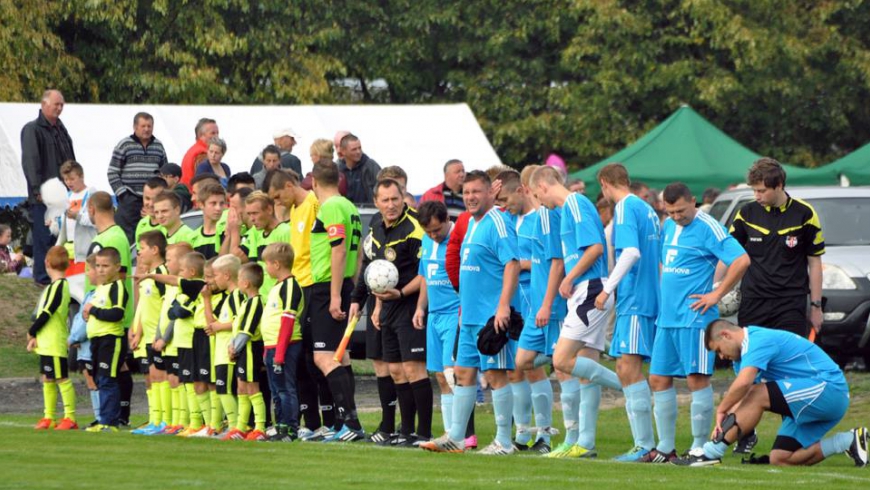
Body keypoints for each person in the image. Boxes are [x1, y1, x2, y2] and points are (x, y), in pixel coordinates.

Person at [643, 183, 749, 463]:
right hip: (668, 318)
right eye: (671, 211)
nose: (677, 216)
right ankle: (665, 448)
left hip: (695, 318)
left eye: (681, 210)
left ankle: (700, 446)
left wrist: (716, 293)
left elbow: (741, 260)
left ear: (693, 202)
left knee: (696, 379)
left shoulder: (708, 226)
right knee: (658, 378)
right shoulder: (667, 225)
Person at [676, 319, 868, 467]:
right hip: (816, 398)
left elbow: (745, 386)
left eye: (718, 350)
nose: (721, 356)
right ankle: (849, 440)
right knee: (781, 458)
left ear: (726, 335)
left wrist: (721, 411)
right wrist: (723, 426)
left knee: (758, 392)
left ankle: (711, 454)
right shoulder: (740, 359)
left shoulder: (757, 340)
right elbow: (744, 399)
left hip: (830, 390)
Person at [421, 170, 520, 455]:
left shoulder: (498, 222)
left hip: (491, 317)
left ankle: (504, 441)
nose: (470, 197)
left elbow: (512, 264)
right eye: (466, 193)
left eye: (477, 191)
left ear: (491, 192)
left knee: (496, 374)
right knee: (463, 374)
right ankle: (456, 437)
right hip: (468, 316)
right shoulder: (472, 224)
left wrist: (503, 306)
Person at [530, 165, 622, 459]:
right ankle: (584, 443)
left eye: (535, 195)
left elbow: (595, 247)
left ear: (543, 186)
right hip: (585, 291)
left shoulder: (575, 203)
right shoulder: (569, 208)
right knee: (584, 373)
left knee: (561, 360)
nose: (538, 202)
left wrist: (570, 278)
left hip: (590, 289)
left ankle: (630, 387)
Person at [351, 179, 432, 446]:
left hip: (409, 304)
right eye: (384, 200)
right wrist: (377, 307)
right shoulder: (375, 226)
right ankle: (404, 431)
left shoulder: (415, 227)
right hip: (388, 307)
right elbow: (375, 270)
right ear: (376, 202)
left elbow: (425, 274)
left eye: (395, 199)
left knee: (413, 369)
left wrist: (401, 294)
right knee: (396, 370)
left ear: (403, 198)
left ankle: (423, 433)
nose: (390, 205)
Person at [594, 163, 661, 462]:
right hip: (641, 297)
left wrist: (608, 288)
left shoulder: (624, 208)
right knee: (624, 367)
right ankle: (644, 444)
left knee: (630, 368)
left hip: (637, 298)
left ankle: (644, 445)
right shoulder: (645, 207)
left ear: (606, 183)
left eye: (602, 189)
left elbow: (632, 252)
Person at [267, 169, 337, 441]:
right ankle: (311, 421)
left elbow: (327, 247)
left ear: (288, 185)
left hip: (313, 287)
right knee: (305, 361)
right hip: (300, 286)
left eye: (277, 196)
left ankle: (332, 421)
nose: (277, 203)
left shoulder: (313, 205)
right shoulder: (296, 211)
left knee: (316, 358)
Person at [730, 158, 824, 338]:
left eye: (762, 191)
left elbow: (815, 262)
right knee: (752, 359)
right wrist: (716, 289)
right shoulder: (746, 213)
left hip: (791, 303)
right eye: (754, 190)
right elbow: (729, 255)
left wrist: (816, 307)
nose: (757, 196)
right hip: (754, 301)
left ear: (779, 185)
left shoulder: (805, 213)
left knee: (788, 361)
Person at [494, 169, 550, 452]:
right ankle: (522, 433)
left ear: (521, 191)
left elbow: (551, 260)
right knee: (514, 369)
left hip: (535, 300)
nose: (503, 205)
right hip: (513, 304)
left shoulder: (540, 219)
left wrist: (520, 264)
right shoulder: (505, 219)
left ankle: (545, 435)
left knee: (533, 369)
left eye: (506, 198)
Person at [308, 161, 365, 442]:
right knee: (341, 356)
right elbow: (359, 249)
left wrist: (334, 295)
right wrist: (351, 287)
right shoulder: (350, 206)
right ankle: (346, 422)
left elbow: (339, 249)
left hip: (327, 287)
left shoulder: (330, 207)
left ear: (315, 181)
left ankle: (350, 423)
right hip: (344, 284)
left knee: (324, 356)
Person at [413, 200, 461, 443]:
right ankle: (448, 433)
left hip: (454, 314)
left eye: (436, 230)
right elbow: (425, 276)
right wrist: (421, 307)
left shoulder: (458, 240)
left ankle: (458, 434)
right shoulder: (426, 241)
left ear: (446, 221)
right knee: (440, 376)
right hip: (434, 315)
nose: (433, 235)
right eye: (428, 232)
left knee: (453, 375)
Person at [21, 89, 75, 285]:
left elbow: (71, 160)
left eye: (61, 104)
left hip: (64, 193)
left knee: (59, 236)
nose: (59, 108)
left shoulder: (61, 129)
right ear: (44, 104)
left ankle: (57, 276)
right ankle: (43, 278)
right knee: (43, 236)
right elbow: (30, 162)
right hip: (44, 195)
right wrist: (37, 190)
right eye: (56, 104)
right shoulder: (32, 129)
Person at [260, 242, 305, 442]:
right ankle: (280, 426)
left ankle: (291, 430)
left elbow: (287, 320)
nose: (266, 268)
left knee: (286, 389)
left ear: (276, 264)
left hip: (286, 347)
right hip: (272, 347)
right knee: (276, 389)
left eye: (267, 264)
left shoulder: (291, 286)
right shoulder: (277, 287)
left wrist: (279, 353)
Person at [27, 245, 74, 430]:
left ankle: (70, 417)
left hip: (54, 340)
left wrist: (32, 330)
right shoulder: (52, 286)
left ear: (47, 262)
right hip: (46, 341)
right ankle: (49, 416)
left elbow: (47, 312)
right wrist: (37, 336)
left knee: (61, 377)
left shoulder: (60, 285)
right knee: (47, 377)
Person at [83, 247, 129, 432]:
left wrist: (93, 311)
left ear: (117, 267)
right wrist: (89, 315)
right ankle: (104, 418)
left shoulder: (117, 287)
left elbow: (117, 313)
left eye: (105, 266)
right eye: (98, 266)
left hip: (110, 339)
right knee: (100, 378)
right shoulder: (101, 288)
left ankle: (110, 422)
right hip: (97, 340)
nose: (101, 270)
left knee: (107, 379)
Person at [129, 230, 170, 436]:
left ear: (155, 250)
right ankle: (155, 419)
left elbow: (166, 305)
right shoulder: (147, 277)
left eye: (142, 248)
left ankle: (165, 420)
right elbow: (145, 307)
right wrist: (137, 330)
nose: (139, 252)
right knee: (153, 378)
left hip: (160, 337)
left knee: (161, 377)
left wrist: (162, 335)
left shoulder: (162, 275)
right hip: (148, 336)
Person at [151, 242, 193, 435]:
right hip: (167, 343)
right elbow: (164, 315)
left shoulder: (182, 288)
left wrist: (164, 339)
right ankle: (174, 421)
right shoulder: (170, 286)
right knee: (172, 381)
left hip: (177, 343)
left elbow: (175, 318)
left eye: (169, 260)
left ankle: (184, 421)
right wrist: (157, 336)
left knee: (180, 382)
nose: (166, 263)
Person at [107, 112, 169, 243]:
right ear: (135, 127)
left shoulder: (158, 146)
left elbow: (164, 172)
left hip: (154, 199)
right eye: (143, 126)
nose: (147, 129)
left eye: (149, 126)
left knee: (152, 235)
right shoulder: (124, 145)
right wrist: (123, 195)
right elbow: (112, 172)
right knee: (128, 237)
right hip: (130, 198)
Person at [223, 262, 267, 441]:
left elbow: (247, 331)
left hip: (250, 350)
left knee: (252, 387)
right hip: (241, 350)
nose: (237, 282)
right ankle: (241, 427)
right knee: (241, 387)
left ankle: (260, 427)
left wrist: (235, 347)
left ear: (246, 283)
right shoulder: (246, 302)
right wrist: (232, 345)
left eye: (239, 279)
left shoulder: (255, 303)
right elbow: (238, 326)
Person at [205, 254, 244, 437]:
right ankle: (233, 426)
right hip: (220, 352)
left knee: (225, 390)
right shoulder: (229, 297)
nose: (214, 280)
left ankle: (235, 427)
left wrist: (220, 326)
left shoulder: (237, 295)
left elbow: (240, 320)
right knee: (223, 390)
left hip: (228, 352)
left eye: (216, 275)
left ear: (227, 275)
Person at [68, 253, 101, 428]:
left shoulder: (96, 296)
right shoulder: (89, 294)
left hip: (88, 349)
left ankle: (101, 417)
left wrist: (73, 338)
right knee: (91, 382)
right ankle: (99, 416)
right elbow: (79, 319)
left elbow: (85, 322)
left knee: (94, 382)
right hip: (83, 348)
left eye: (89, 269)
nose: (87, 273)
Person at [240, 192, 291, 297]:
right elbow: (253, 267)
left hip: (279, 299)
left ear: (269, 210)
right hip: (261, 299)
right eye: (249, 214)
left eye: (255, 213)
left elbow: (292, 269)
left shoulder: (284, 231)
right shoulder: (256, 233)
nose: (252, 219)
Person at [56, 161, 97, 274]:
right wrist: (54, 223)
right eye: (66, 179)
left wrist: (77, 216)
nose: (68, 182)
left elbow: (95, 220)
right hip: (68, 252)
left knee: (81, 287)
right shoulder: (67, 196)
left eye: (72, 179)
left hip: (85, 253)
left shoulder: (90, 193)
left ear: (82, 176)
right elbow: (62, 227)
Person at [336, 133, 381, 205]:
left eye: (359, 148)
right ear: (343, 151)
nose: (358, 152)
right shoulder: (337, 170)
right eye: (354, 149)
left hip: (368, 213)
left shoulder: (371, 166)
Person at [191, 183, 227, 259]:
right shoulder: (193, 238)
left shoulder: (226, 232)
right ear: (201, 204)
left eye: (221, 203)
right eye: (213, 203)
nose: (218, 208)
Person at [181, 118, 218, 186]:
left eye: (217, 133)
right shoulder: (202, 154)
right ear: (201, 135)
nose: (216, 136)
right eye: (212, 133)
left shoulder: (193, 150)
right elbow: (206, 183)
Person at [135, 177, 168, 251]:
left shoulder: (170, 225)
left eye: (155, 199)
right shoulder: (141, 224)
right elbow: (140, 257)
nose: (151, 204)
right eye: (147, 198)